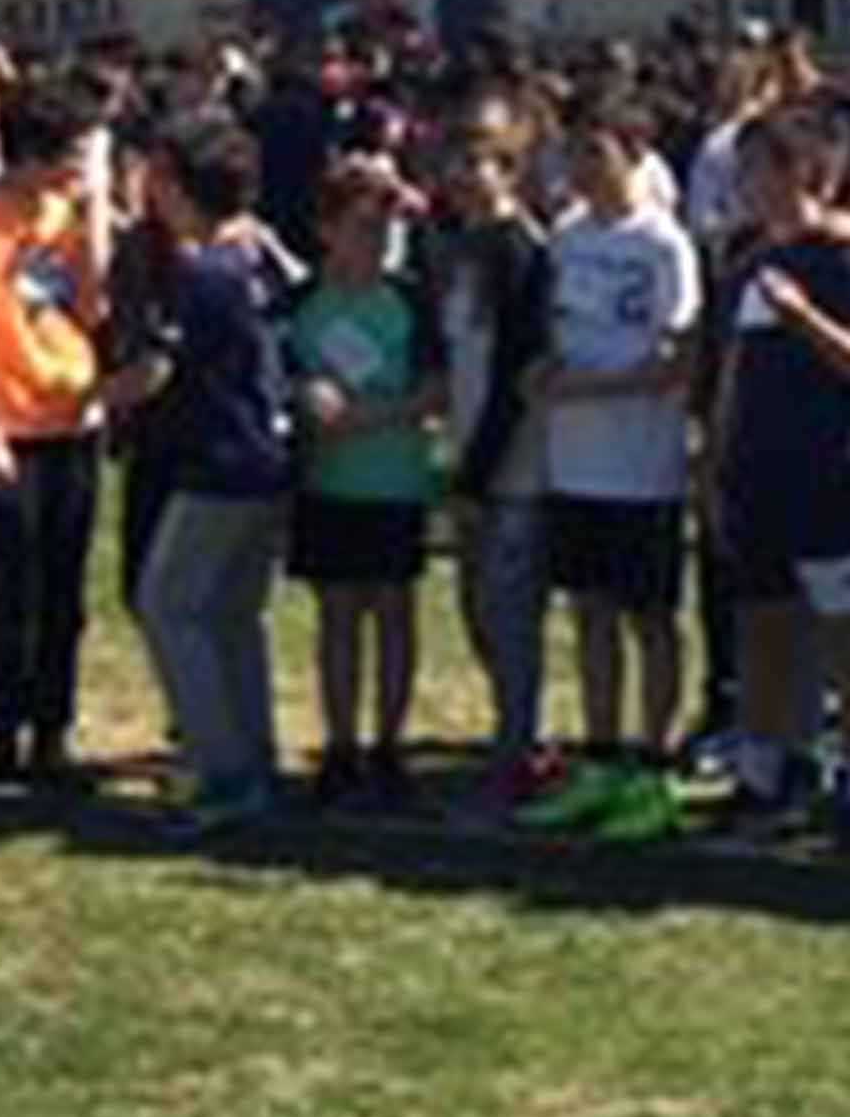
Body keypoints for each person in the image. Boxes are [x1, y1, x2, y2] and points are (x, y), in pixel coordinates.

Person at [707, 108, 850, 859]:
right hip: (756, 475)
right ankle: (764, 774)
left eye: (759, 168)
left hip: (833, 474)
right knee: (762, 625)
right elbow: (729, 376)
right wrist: (714, 465)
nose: (747, 185)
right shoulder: (745, 264)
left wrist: (805, 316)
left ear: (803, 173)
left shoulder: (841, 260)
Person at [520, 96, 700, 839]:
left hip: (643, 464)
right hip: (574, 464)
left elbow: (678, 358)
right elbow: (548, 333)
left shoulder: (663, 245)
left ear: (634, 155)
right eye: (575, 154)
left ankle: (654, 767)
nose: (583, 168)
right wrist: (543, 376)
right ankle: (598, 760)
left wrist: (593, 388)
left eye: (597, 153)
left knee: (650, 618)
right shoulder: (565, 240)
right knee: (589, 613)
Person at [115, 114, 299, 831]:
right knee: (233, 615)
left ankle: (223, 771)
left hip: (220, 459)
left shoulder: (202, 272)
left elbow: (155, 370)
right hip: (271, 455)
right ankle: (255, 760)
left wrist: (83, 399)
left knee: (168, 604)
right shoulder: (259, 257)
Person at [0, 78, 115, 796]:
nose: (76, 168)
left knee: (65, 592)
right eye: (68, 154)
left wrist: (94, 216)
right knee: (11, 587)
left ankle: (52, 733)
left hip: (73, 417)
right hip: (9, 421)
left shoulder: (68, 213)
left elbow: (94, 305)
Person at [284, 155, 438, 802]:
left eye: (384, 230)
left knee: (395, 613)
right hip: (328, 482)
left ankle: (390, 745)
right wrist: (305, 396)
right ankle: (341, 744)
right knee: (338, 616)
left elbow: (436, 389)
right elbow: (280, 372)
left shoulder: (410, 300)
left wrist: (369, 417)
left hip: (395, 480)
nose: (375, 242)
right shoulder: (302, 303)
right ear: (327, 230)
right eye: (361, 228)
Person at [430, 109, 559, 812]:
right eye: (453, 165)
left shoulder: (522, 252)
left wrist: (479, 469)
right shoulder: (461, 251)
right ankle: (516, 739)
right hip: (467, 453)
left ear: (507, 172)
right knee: (477, 611)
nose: (460, 179)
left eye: (475, 165)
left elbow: (518, 371)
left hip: (513, 465)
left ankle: (520, 751)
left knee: (509, 615)